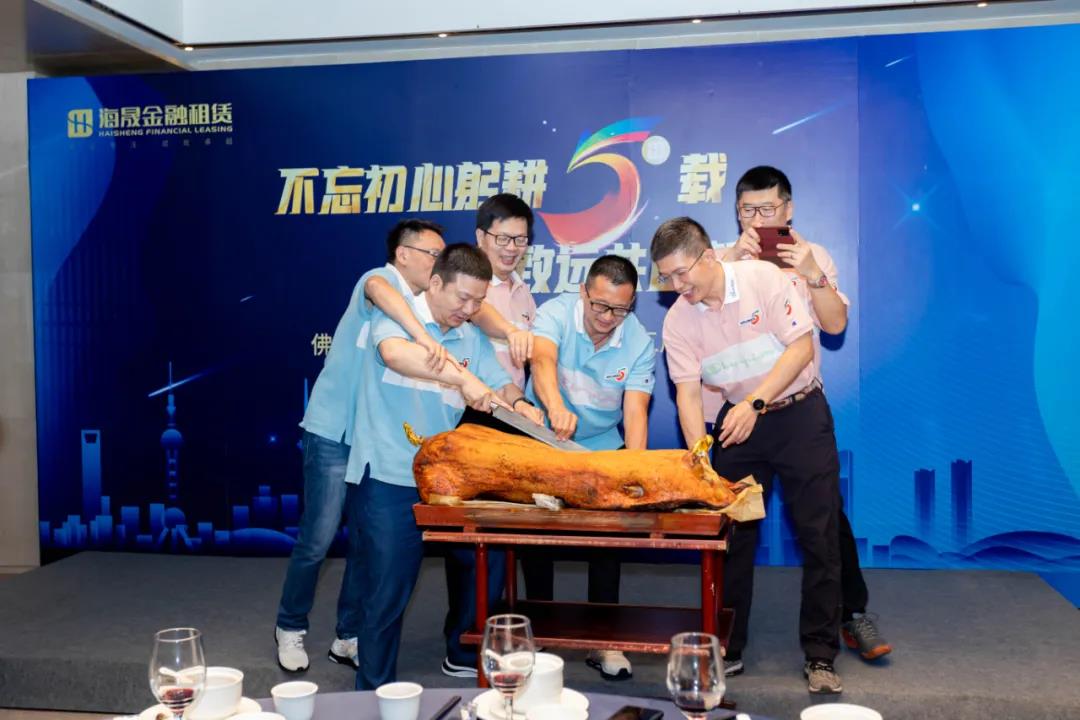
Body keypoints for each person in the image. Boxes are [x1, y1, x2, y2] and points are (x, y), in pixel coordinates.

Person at [650, 217, 844, 694]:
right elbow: (687, 394)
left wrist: (755, 403)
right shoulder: (678, 320)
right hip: (738, 430)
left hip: (797, 414)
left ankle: (820, 653)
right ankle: (728, 646)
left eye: (682, 273)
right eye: (667, 278)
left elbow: (801, 348)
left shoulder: (763, 278)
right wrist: (699, 455)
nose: (677, 287)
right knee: (732, 539)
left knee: (819, 534)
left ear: (708, 257)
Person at [344, 244, 546, 690]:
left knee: (488, 557)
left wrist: (520, 404)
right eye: (463, 298)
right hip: (390, 477)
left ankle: (463, 651)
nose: (470, 310)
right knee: (387, 593)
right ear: (435, 283)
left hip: (445, 481)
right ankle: (372, 694)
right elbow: (395, 355)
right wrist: (460, 378)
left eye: (479, 301)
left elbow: (499, 383)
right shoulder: (399, 317)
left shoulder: (470, 335)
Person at [720, 165, 891, 662]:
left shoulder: (813, 256)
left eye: (767, 209)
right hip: (742, 416)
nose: (758, 220)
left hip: (797, 409)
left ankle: (850, 614)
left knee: (823, 523)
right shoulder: (722, 261)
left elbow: (834, 325)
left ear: (788, 209)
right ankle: (727, 641)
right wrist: (730, 262)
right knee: (734, 529)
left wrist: (812, 272)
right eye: (747, 211)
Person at [274, 219, 449, 673]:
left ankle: (347, 635)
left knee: (366, 544)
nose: (438, 264)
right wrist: (423, 336)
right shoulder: (380, 281)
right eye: (432, 254)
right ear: (403, 254)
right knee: (318, 537)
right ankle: (290, 624)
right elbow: (377, 288)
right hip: (335, 433)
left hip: (375, 440)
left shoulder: (426, 307)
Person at [525, 255, 656, 680]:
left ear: (631, 304)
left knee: (607, 541)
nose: (606, 317)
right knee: (536, 537)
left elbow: (635, 412)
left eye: (619, 309)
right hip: (546, 435)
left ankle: (604, 640)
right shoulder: (555, 313)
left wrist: (633, 470)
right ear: (583, 292)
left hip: (602, 445)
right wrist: (555, 407)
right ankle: (539, 633)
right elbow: (542, 361)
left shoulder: (638, 342)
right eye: (599, 305)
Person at [440, 193, 539, 679]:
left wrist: (526, 406)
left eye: (521, 239)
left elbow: (518, 369)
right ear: (481, 237)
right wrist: (510, 333)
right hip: (471, 418)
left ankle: (482, 631)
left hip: (510, 417)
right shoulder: (472, 285)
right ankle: (463, 642)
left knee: (498, 539)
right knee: (474, 538)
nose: (512, 247)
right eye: (503, 237)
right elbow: (481, 317)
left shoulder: (523, 292)